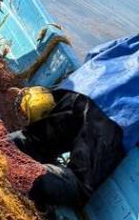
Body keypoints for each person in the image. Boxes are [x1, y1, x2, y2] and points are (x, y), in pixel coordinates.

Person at [9, 34, 139, 210]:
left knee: (34, 140)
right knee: (79, 185)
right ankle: (21, 173)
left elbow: (96, 53)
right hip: (116, 116)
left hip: (83, 86)